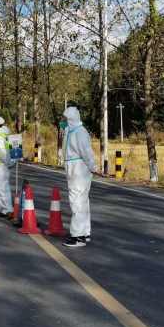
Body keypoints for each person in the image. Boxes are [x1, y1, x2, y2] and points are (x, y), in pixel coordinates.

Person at [61, 106, 98, 248]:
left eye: (65, 119)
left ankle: (78, 236)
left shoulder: (79, 132)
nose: (63, 122)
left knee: (77, 201)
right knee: (82, 200)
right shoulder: (70, 131)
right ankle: (84, 232)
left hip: (79, 170)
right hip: (74, 169)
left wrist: (93, 167)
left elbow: (87, 152)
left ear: (71, 119)